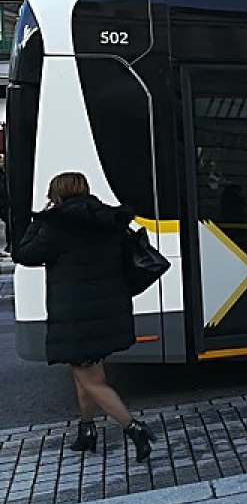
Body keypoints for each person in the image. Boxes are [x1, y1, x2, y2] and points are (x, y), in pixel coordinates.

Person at [12, 171, 155, 462]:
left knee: (89, 379)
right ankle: (86, 430)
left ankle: (134, 428)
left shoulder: (57, 226)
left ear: (57, 195)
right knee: (88, 374)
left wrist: (39, 219)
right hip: (106, 312)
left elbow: (23, 253)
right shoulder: (107, 220)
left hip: (77, 315)